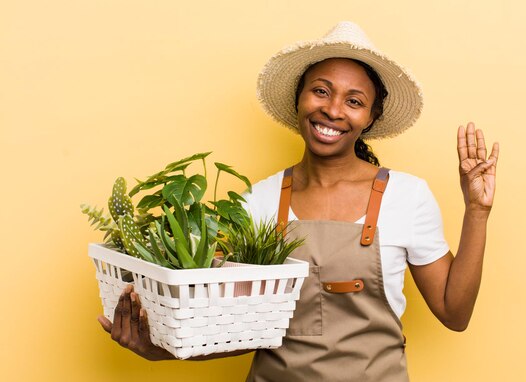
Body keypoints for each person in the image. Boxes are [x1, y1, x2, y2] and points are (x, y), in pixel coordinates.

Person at [98, 21, 499, 381]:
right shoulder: (258, 200)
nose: (332, 110)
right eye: (321, 91)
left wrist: (477, 212)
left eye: (354, 101)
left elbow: (454, 313)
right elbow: (239, 332)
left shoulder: (407, 196)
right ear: (299, 99)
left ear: (371, 118)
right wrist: (163, 349)